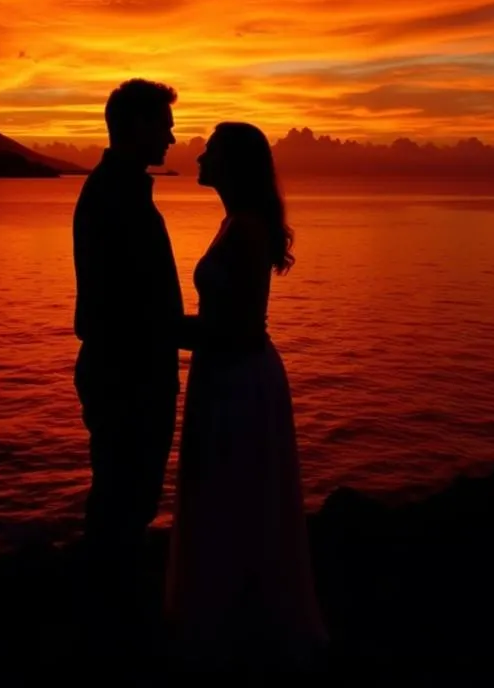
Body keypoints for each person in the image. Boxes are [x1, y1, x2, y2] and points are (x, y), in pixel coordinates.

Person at [167, 122, 327, 669]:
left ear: (231, 163)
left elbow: (233, 330)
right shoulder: (234, 222)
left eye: (208, 151)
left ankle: (236, 631)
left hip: (237, 378)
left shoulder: (247, 230)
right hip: (226, 373)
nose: (197, 158)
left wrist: (160, 329)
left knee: (233, 495)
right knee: (228, 496)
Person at [72, 78, 183, 651]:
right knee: (123, 499)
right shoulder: (114, 197)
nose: (171, 135)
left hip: (130, 370)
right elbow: (121, 306)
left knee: (124, 499)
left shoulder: (121, 191)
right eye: (161, 124)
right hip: (127, 375)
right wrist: (202, 334)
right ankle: (111, 632)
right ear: (135, 126)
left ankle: (109, 621)